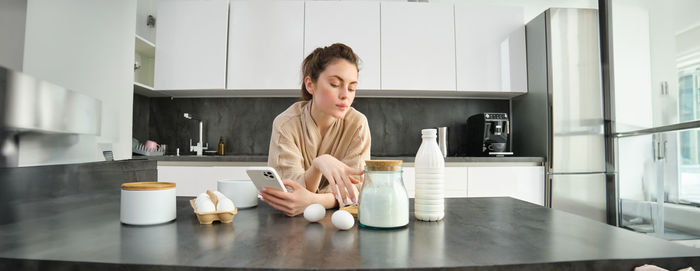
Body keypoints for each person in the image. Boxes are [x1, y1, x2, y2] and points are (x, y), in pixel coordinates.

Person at [261, 43, 371, 216]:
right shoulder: (285, 125)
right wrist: (319, 164)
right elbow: (288, 193)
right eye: (335, 84)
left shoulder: (357, 124)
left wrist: (311, 201)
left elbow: (357, 192)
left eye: (352, 88)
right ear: (310, 85)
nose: (345, 95)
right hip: (290, 230)